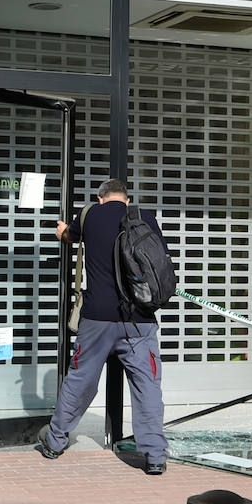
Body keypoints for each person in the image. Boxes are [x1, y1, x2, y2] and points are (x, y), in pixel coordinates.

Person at [38, 179, 171, 475]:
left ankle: (55, 442)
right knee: (147, 386)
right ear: (126, 198)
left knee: (80, 380)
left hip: (97, 320)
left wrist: (62, 233)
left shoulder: (89, 216)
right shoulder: (145, 218)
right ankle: (155, 456)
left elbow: (70, 236)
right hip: (140, 320)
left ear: (100, 199)